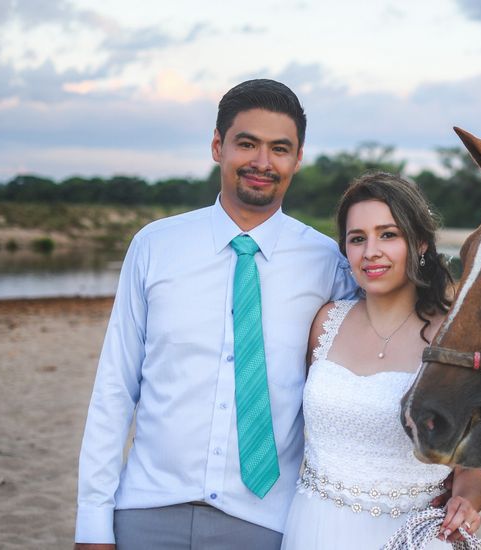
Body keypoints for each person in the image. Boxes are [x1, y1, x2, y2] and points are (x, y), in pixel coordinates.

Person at [74, 79, 357, 549]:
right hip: (145, 510)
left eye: (279, 148)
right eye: (247, 143)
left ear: (298, 158)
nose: (262, 163)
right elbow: (114, 388)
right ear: (217, 146)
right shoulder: (154, 246)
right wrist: (92, 521)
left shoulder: (328, 263)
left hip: (266, 520)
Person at [280, 172, 481, 549]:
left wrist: (466, 501)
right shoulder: (325, 322)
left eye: (388, 235)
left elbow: (471, 468)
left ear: (421, 243)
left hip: (411, 535)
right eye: (357, 239)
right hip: (314, 528)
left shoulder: (452, 339)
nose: (370, 251)